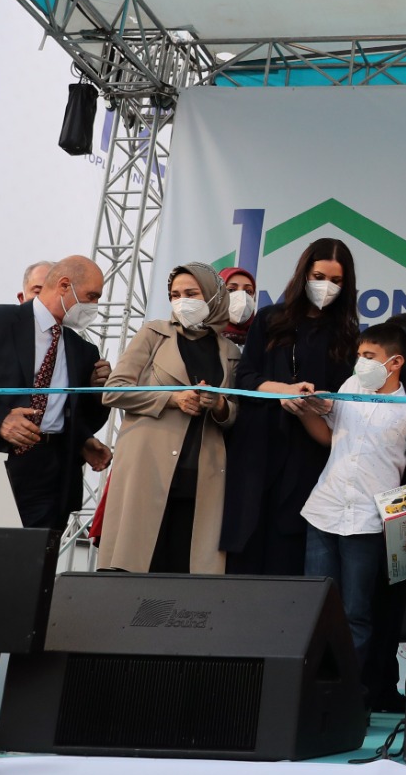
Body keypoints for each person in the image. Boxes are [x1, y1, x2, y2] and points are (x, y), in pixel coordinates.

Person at [296, 322, 406, 696]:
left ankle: (345, 696)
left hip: (368, 522)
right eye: (359, 354)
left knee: (356, 614)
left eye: (369, 356)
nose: (361, 362)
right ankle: (309, 695)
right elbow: (328, 437)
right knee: (314, 608)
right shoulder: (349, 386)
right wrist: (304, 411)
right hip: (324, 511)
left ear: (395, 362)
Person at [0, 255, 113, 531]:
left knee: (32, 554)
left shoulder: (83, 349)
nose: (94, 306)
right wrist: (0, 419)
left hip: (50, 470)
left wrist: (96, 395)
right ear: (64, 285)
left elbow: (78, 414)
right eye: (91, 296)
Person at [223, 238, 359, 576]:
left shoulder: (346, 334)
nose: (326, 287)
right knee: (247, 543)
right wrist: (283, 391)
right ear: (304, 275)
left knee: (290, 552)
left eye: (336, 281)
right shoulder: (270, 318)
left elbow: (344, 398)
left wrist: (319, 402)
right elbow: (245, 378)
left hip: (308, 450)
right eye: (319, 277)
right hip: (258, 444)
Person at [99, 263, 241, 574]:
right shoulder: (154, 333)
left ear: (213, 296)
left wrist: (218, 405)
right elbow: (114, 390)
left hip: (202, 472)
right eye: (175, 295)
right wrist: (171, 398)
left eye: (192, 293)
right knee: (136, 566)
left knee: (185, 571)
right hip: (147, 465)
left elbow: (234, 412)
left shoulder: (229, 351)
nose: (182, 301)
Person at [220, 266, 258, 346]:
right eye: (231, 290)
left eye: (248, 291)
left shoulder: (263, 343)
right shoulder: (200, 342)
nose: (242, 297)